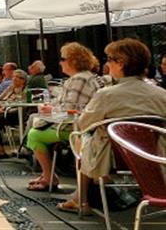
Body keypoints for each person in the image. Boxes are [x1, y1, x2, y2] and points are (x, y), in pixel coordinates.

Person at [57, 39, 166, 214]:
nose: (106, 63)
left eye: (109, 59)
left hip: (112, 159)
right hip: (155, 156)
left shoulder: (106, 95)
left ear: (120, 63)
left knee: (81, 137)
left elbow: (84, 123)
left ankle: (82, 200)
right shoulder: (161, 93)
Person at [26, 43, 101, 191]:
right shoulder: (82, 77)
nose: (60, 62)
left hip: (76, 128)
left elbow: (70, 109)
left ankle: (49, 177)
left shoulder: (79, 79)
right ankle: (47, 173)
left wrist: (50, 109)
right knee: (35, 124)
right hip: (81, 125)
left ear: (73, 61)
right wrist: (51, 107)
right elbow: (63, 103)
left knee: (34, 135)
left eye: (62, 58)